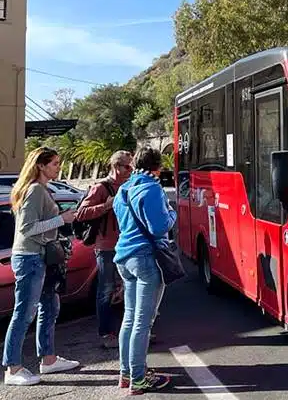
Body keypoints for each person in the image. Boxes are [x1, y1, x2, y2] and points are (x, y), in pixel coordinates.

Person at [3, 147, 80, 386]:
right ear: (41, 166)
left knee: (50, 305)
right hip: (30, 257)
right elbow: (27, 228)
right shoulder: (35, 190)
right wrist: (62, 219)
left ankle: (48, 359)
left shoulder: (40, 189)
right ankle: (13, 368)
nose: (59, 167)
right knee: (24, 313)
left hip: (39, 256)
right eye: (55, 163)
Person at [113, 146, 174, 394]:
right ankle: (139, 379)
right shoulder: (151, 188)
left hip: (124, 258)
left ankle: (126, 375)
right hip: (145, 259)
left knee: (129, 319)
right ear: (157, 168)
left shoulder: (123, 190)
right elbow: (159, 227)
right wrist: (172, 213)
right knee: (143, 322)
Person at [74, 150, 132, 349]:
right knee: (106, 290)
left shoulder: (128, 184)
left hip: (126, 244)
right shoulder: (101, 187)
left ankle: (131, 332)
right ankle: (106, 333)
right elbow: (80, 214)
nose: (130, 169)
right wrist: (106, 206)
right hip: (106, 246)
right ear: (116, 167)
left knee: (130, 288)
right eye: (127, 166)